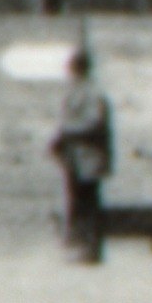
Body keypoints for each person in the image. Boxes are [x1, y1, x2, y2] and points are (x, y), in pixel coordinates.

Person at [47, 34, 119, 269]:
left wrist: (67, 131)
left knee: (88, 203)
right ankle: (80, 246)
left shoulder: (91, 93)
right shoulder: (77, 91)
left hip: (89, 156)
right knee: (77, 202)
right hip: (75, 157)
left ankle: (91, 249)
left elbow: (93, 122)